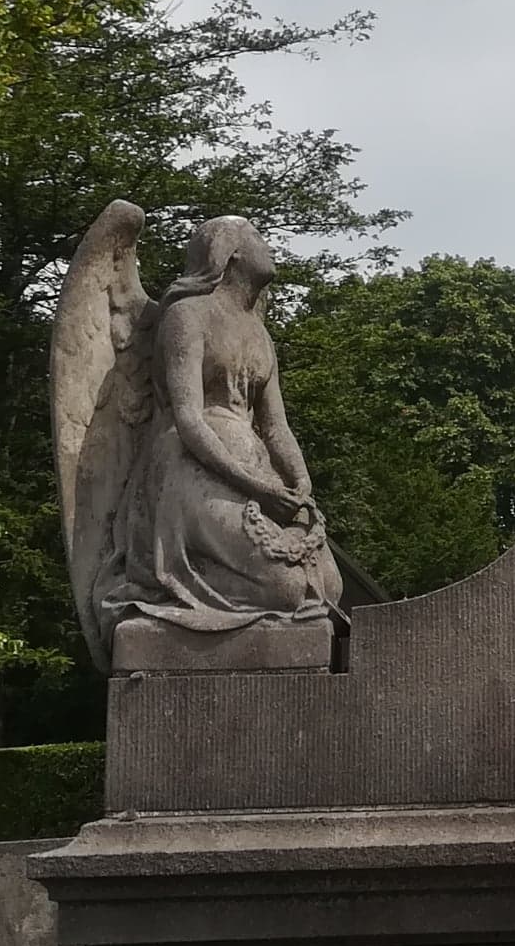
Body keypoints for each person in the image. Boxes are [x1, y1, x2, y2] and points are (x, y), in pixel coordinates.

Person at [97, 217, 344, 640]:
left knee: (327, 587)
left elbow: (276, 426)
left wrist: (300, 482)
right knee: (286, 589)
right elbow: (188, 418)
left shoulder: (259, 335)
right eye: (258, 239)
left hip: (253, 470)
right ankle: (176, 599)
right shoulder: (187, 317)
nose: (269, 247)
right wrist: (255, 486)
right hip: (190, 468)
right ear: (230, 254)